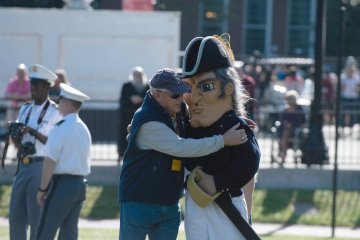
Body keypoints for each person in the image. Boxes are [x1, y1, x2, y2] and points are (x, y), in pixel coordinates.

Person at [118, 68, 248, 240]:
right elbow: (181, 147)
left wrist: (237, 119)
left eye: (182, 92)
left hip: (169, 203)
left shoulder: (176, 110)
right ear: (157, 94)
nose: (181, 99)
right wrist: (223, 140)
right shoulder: (147, 119)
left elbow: (203, 120)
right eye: (175, 95)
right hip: (139, 203)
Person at [179, 35, 260, 240]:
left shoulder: (234, 126)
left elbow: (249, 160)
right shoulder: (186, 128)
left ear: (227, 88)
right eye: (189, 87)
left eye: (205, 87)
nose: (194, 97)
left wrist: (218, 181)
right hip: (196, 208)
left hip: (226, 206)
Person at [8, 64, 62, 240]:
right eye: (32, 84)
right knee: (16, 217)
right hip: (22, 165)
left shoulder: (55, 111)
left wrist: (31, 131)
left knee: (36, 218)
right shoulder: (25, 108)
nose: (33, 88)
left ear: (47, 86)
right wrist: (14, 134)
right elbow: (18, 142)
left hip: (41, 165)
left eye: (37, 84)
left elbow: (54, 143)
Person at [35, 83, 91, 240]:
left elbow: (50, 161)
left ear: (66, 104)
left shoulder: (60, 127)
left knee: (45, 231)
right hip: (79, 185)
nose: (58, 105)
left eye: (60, 102)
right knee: (69, 233)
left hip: (62, 185)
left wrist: (42, 189)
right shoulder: (83, 128)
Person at [117, 66, 149, 163]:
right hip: (126, 117)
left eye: (139, 75)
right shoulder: (127, 86)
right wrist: (131, 99)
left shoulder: (147, 86)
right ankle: (121, 155)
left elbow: (149, 100)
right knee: (124, 137)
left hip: (141, 118)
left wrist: (140, 99)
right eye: (135, 75)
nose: (137, 77)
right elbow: (122, 100)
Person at [278, 90, 306, 164]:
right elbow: (282, 121)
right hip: (285, 129)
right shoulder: (285, 110)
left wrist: (292, 124)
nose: (290, 101)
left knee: (286, 132)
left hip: (296, 130)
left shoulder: (299, 109)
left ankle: (283, 154)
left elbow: (303, 121)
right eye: (288, 99)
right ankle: (283, 153)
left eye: (291, 99)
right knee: (285, 131)